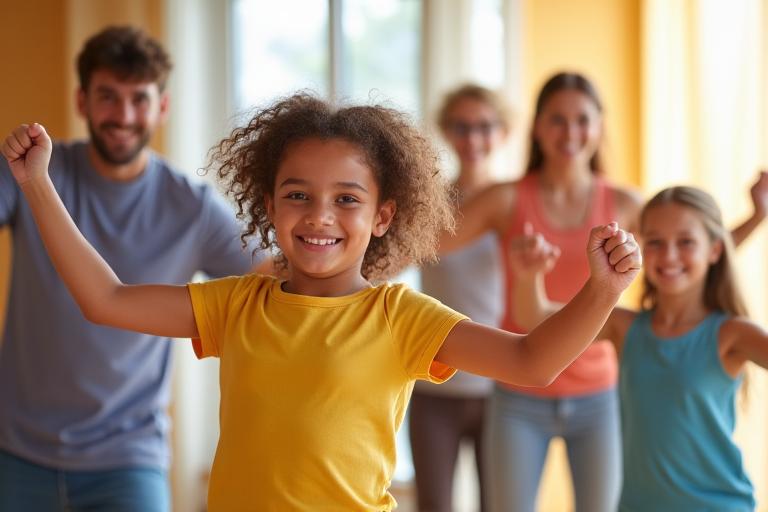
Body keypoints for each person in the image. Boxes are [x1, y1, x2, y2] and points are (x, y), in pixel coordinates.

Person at [1, 92, 641, 510]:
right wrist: (37, 185)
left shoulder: (400, 318)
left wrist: (602, 291)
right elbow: (105, 298)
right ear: (269, 205)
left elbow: (533, 361)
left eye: (347, 198)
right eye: (298, 194)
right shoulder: (237, 304)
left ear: (384, 215)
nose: (320, 216)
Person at [437, 71, 768, 512]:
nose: (570, 132)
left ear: (599, 126)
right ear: (537, 126)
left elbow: (694, 244)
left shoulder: (628, 205)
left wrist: (756, 217)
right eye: (557, 119)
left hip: (598, 394)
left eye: (582, 119)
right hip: (522, 391)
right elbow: (433, 241)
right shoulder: (507, 198)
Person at [0, 26, 266, 512]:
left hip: (128, 458)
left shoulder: (192, 208)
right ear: (81, 101)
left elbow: (274, 280)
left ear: (162, 107)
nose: (123, 116)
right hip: (15, 451)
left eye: (138, 99)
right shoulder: (31, 171)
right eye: (107, 97)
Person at [511, 185, 766, 511]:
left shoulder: (732, 334)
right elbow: (535, 318)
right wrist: (528, 276)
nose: (669, 255)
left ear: (715, 250)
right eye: (656, 242)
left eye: (685, 242)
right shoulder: (625, 327)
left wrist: (759, 215)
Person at [409, 84, 510, 512]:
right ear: (446, 132)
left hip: (503, 387)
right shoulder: (427, 203)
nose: (474, 138)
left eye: (485, 126)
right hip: (435, 382)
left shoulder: (516, 202)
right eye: (462, 127)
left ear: (503, 132)